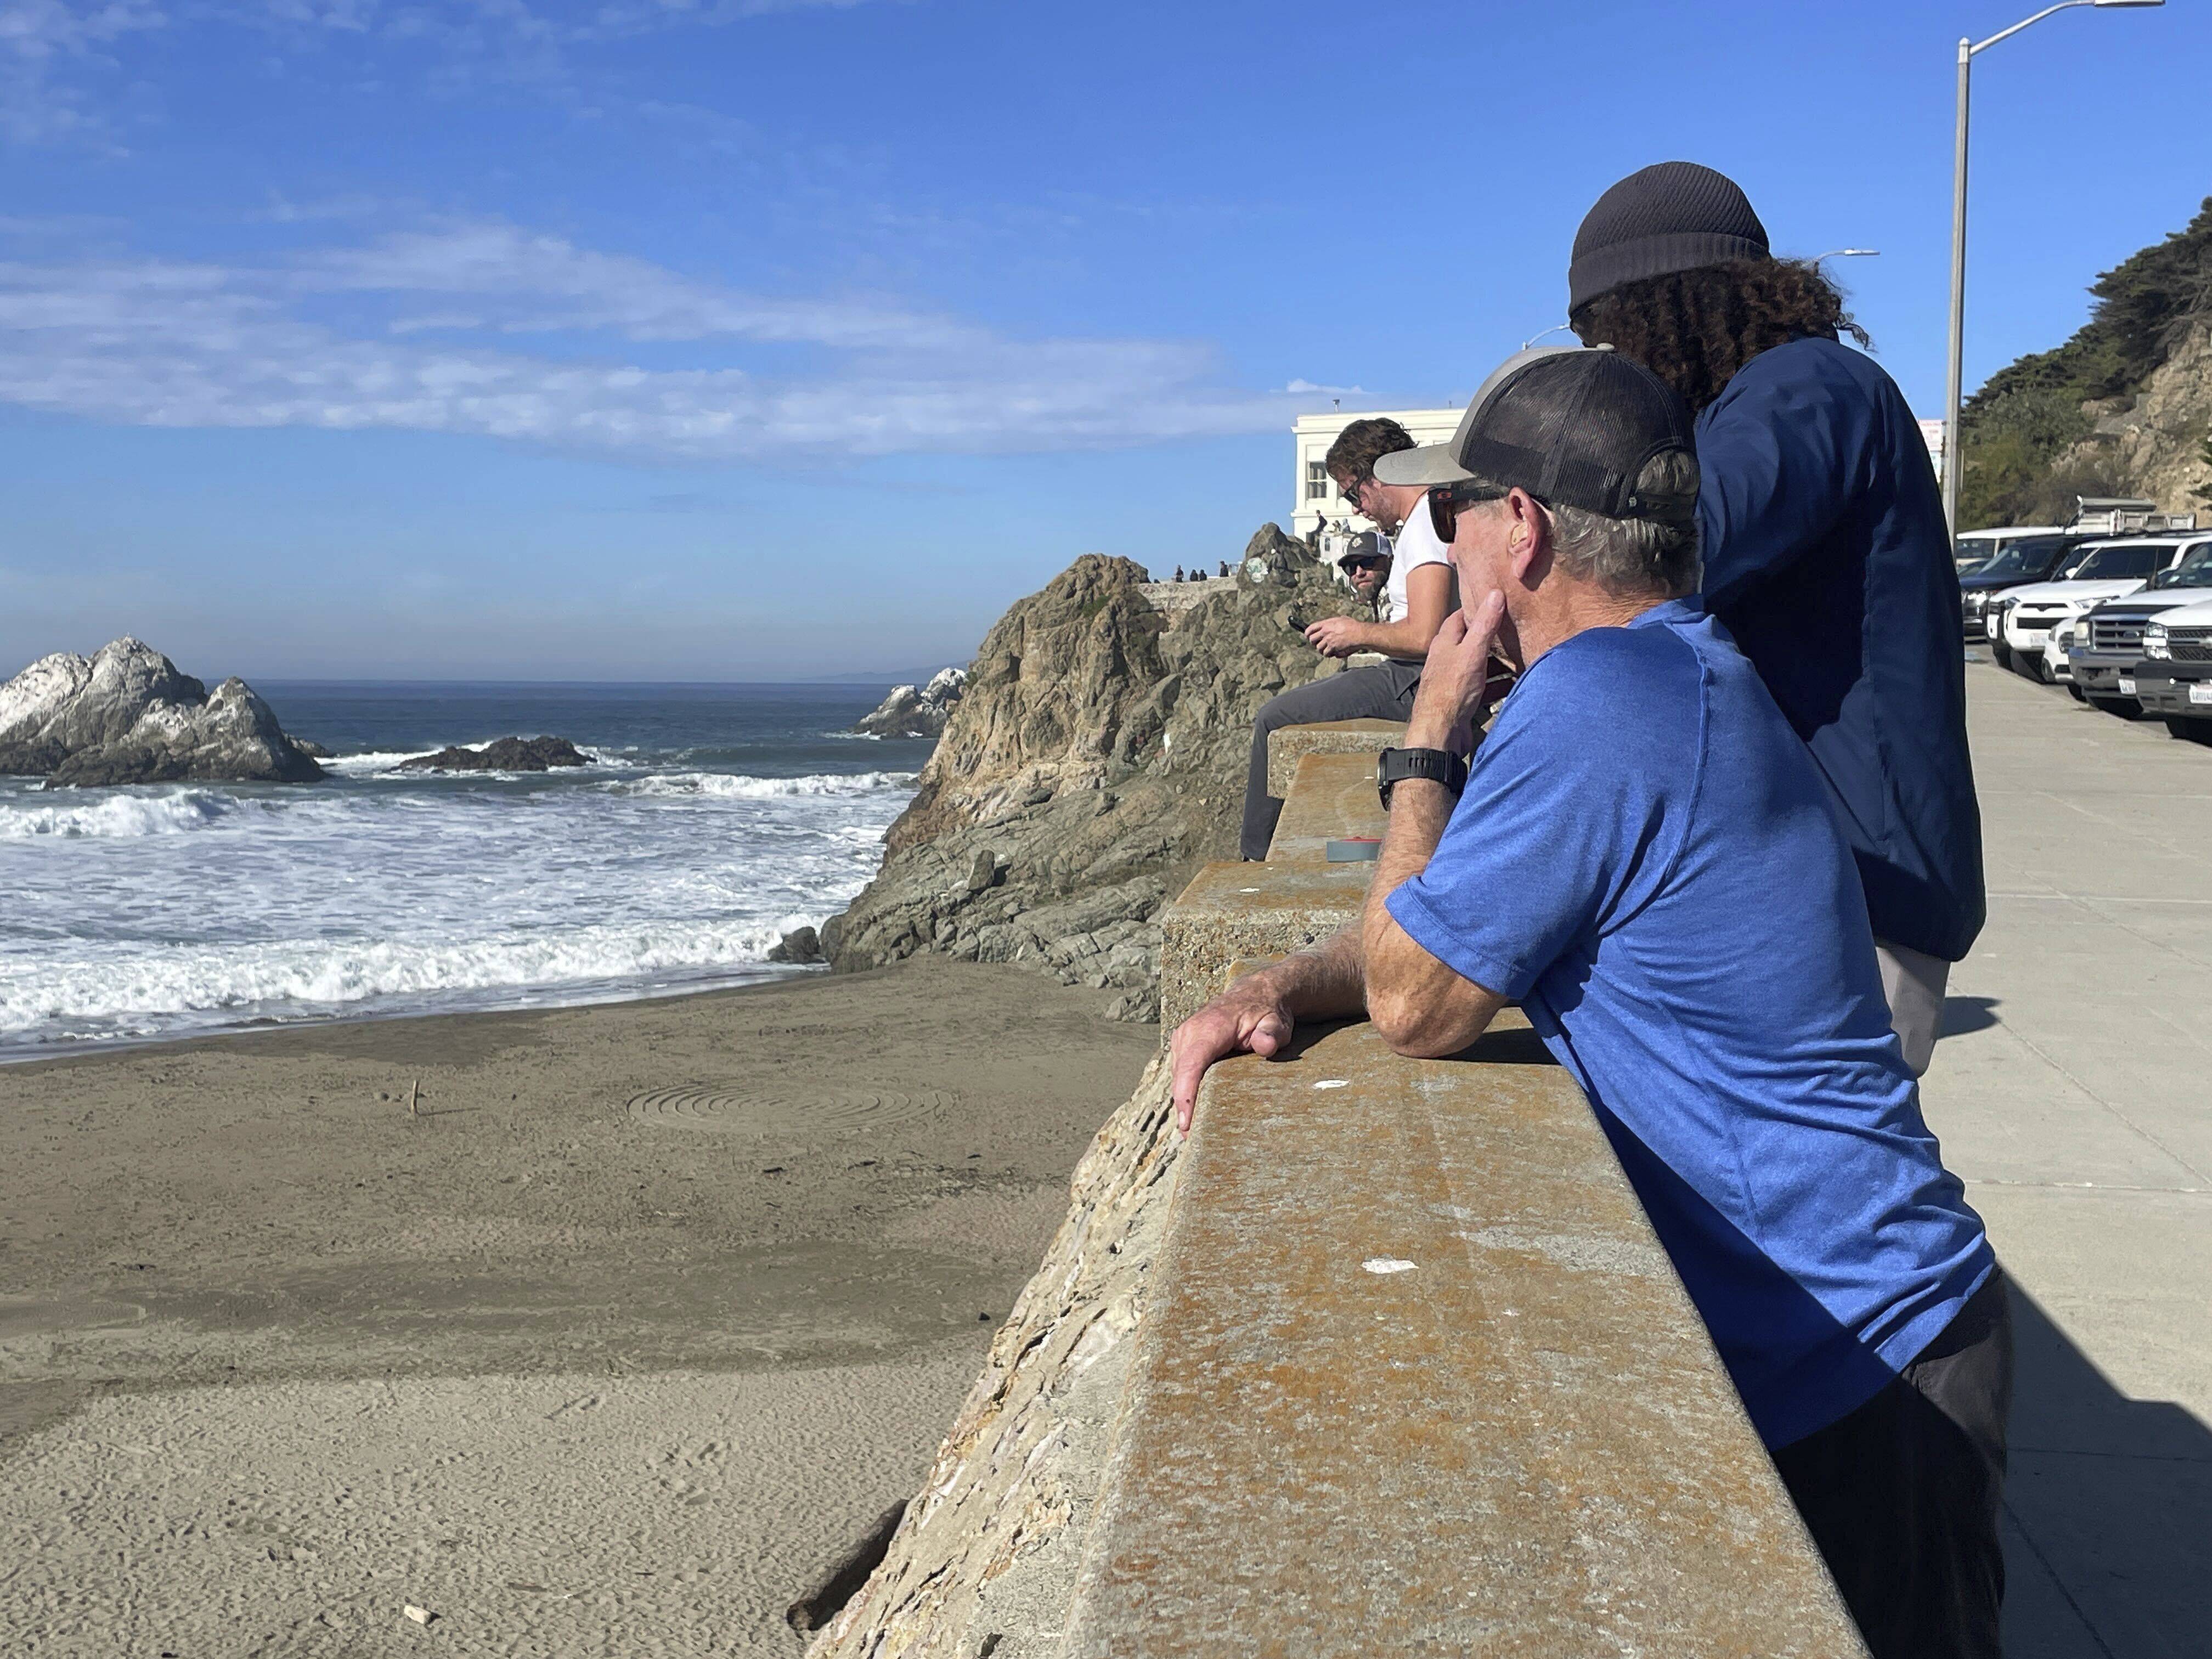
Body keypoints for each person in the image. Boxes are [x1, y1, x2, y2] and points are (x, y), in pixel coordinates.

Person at [1172, 346, 2009, 1659]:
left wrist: (1428, 744)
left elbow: (1415, 1003)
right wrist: (1282, 979)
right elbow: (1455, 932)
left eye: (1463, 508)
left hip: (1865, 1363)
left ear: (1528, 527)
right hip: (1889, 1329)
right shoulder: (1686, 668)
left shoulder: (1601, 706)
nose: (1450, 534)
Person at [1566, 161, 1983, 1077]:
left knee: (1823, 1193)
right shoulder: (1777, 396)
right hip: (1835, 875)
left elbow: (1680, 547)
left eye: (1608, 332)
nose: (1613, 364)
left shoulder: (1804, 388)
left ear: (1662, 306)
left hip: (1865, 887)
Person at [1237, 417, 1457, 859]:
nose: (1356, 508)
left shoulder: (1425, 526)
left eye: (1353, 493)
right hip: (1415, 673)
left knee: (1275, 718)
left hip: (1416, 678)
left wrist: (1357, 635)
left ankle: (1256, 862)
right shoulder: (1429, 517)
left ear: (1380, 474)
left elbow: (1428, 634)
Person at [1336, 531, 1391, 616]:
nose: (1359, 573)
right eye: (1351, 567)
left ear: (1389, 561)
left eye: (1367, 562)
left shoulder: (1403, 599)